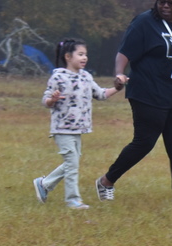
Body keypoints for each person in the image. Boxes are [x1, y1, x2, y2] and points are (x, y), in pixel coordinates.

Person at [95, 0, 172, 205]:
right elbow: (124, 52)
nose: (166, 6)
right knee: (144, 143)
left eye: (171, 2)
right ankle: (106, 181)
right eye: (162, 2)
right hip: (148, 93)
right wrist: (119, 74)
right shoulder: (143, 22)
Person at [33, 39, 121, 209]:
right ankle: (73, 199)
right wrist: (53, 99)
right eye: (80, 54)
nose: (84, 58)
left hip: (78, 129)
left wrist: (118, 88)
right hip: (62, 129)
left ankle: (44, 184)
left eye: (85, 54)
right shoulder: (58, 77)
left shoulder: (86, 77)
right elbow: (45, 100)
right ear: (68, 56)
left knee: (72, 163)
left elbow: (101, 94)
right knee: (72, 164)